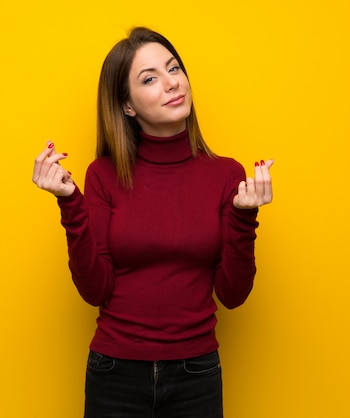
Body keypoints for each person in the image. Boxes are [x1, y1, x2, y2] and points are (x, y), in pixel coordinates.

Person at [32, 26, 274, 418]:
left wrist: (245, 218)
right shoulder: (103, 175)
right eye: (150, 78)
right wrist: (69, 204)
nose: (172, 83)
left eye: (174, 68)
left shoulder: (227, 175)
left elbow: (232, 294)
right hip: (114, 372)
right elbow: (95, 289)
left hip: (197, 372)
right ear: (127, 105)